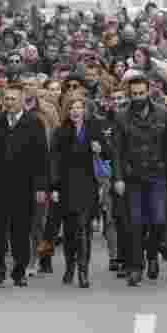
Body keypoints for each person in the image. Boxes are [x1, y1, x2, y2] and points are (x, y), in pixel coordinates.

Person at [0, 84, 49, 288]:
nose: (9, 103)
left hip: (23, 186)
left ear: (22, 101)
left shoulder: (34, 122)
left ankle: (19, 271)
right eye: (7, 99)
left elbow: (41, 158)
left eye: (13, 99)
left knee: (20, 230)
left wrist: (40, 187)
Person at [114, 75, 167, 286]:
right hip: (133, 176)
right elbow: (117, 151)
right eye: (134, 94)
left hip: (158, 175)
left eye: (141, 93)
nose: (138, 97)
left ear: (149, 91)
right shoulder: (121, 117)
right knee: (135, 223)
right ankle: (136, 266)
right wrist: (118, 178)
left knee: (158, 220)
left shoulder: (163, 114)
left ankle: (152, 254)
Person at [51, 95, 111, 288]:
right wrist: (54, 187)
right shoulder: (61, 132)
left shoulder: (94, 129)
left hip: (88, 185)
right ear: (67, 111)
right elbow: (54, 162)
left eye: (79, 107)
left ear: (85, 110)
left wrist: (99, 149)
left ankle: (83, 271)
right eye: (72, 108)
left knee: (84, 228)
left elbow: (108, 154)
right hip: (67, 186)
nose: (76, 111)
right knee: (70, 230)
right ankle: (70, 266)